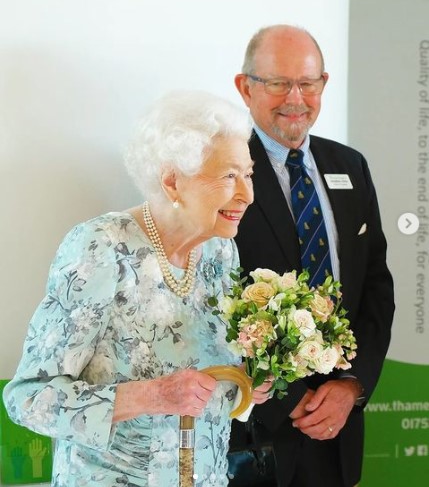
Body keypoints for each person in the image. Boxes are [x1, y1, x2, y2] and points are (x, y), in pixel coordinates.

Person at [3, 89, 273, 487]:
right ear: (171, 182)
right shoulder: (101, 248)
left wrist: (246, 383)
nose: (247, 195)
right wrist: (152, 396)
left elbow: (203, 386)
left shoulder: (220, 251)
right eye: (228, 176)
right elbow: (28, 399)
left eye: (248, 174)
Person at [230, 25, 395, 487]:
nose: (295, 98)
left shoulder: (351, 166)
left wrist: (352, 386)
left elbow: (377, 288)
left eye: (307, 83)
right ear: (245, 88)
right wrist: (287, 397)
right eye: (278, 82)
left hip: (339, 428)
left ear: (324, 84)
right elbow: (206, 301)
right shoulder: (220, 170)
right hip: (256, 431)